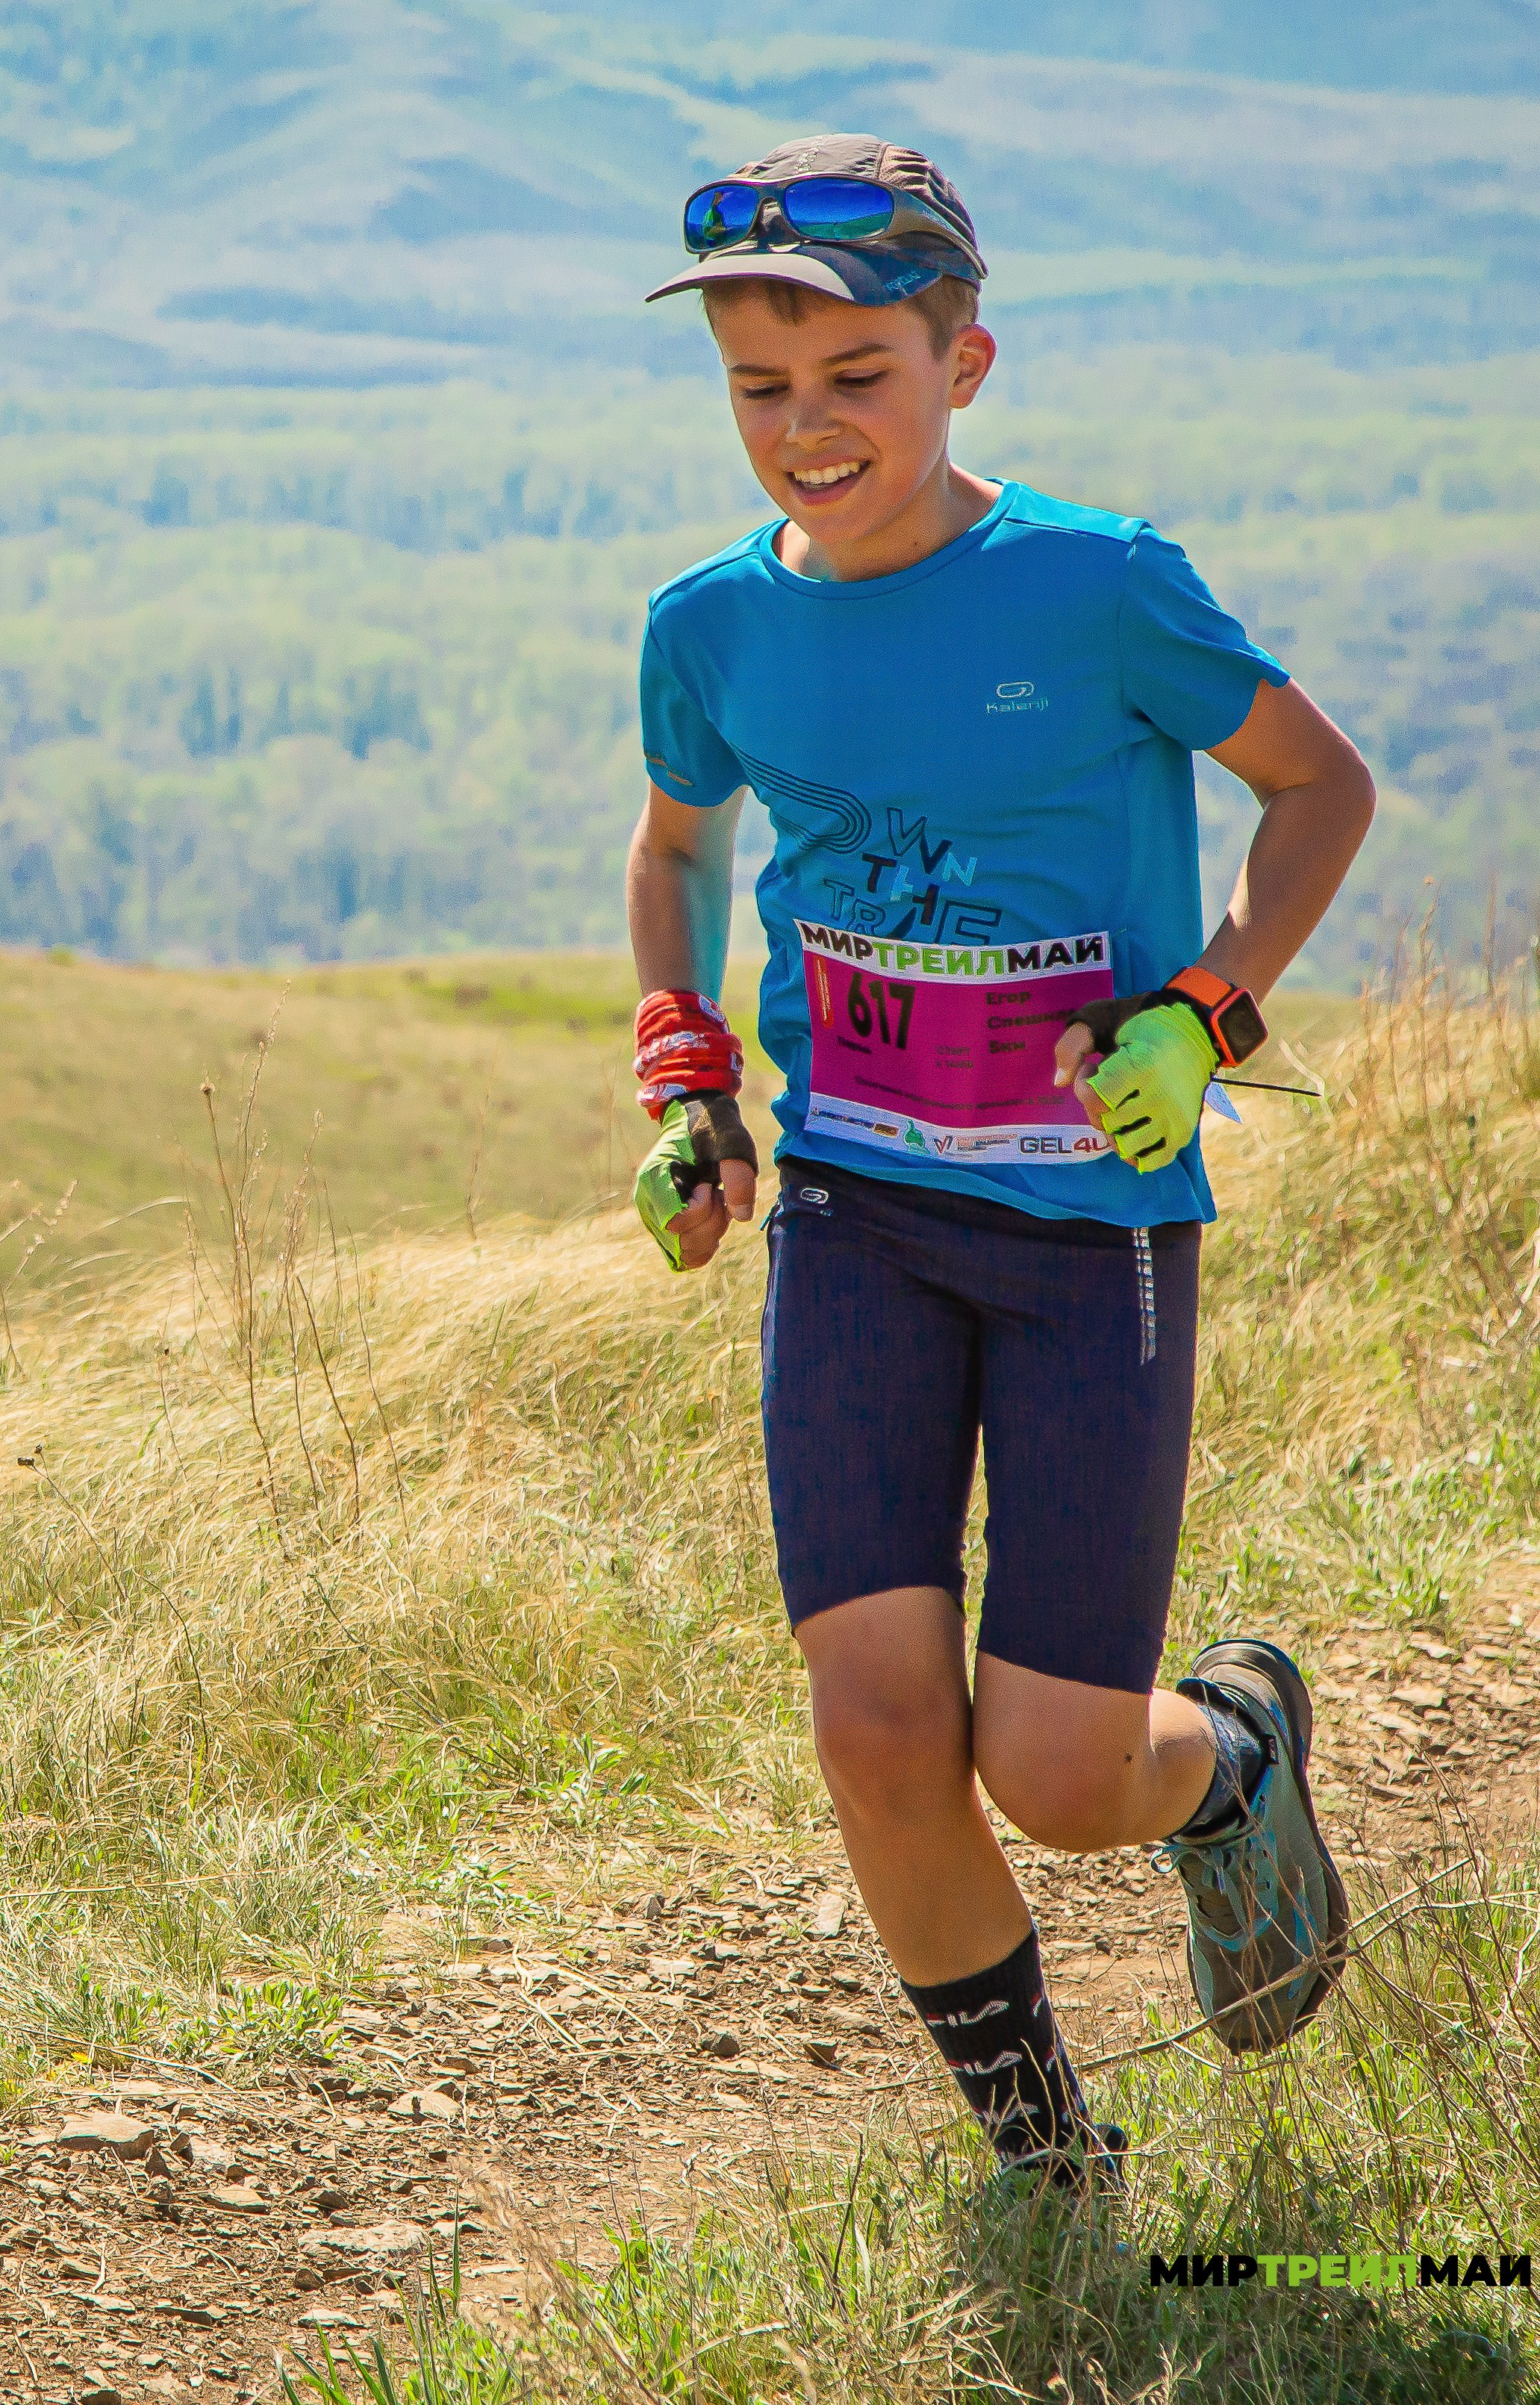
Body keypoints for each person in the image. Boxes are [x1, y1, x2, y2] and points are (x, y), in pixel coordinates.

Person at [624, 135, 1375, 2181]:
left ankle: (1231, 1759)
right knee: (875, 1728)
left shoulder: (1095, 583)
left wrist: (1207, 1009)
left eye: (858, 373)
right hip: (859, 1222)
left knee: (1050, 1764)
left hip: (1088, 1237)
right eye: (762, 391)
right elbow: (685, 844)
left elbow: (1319, 790)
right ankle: (1058, 2168)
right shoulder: (709, 629)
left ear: (966, 364)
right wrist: (687, 1076)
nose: (807, 428)